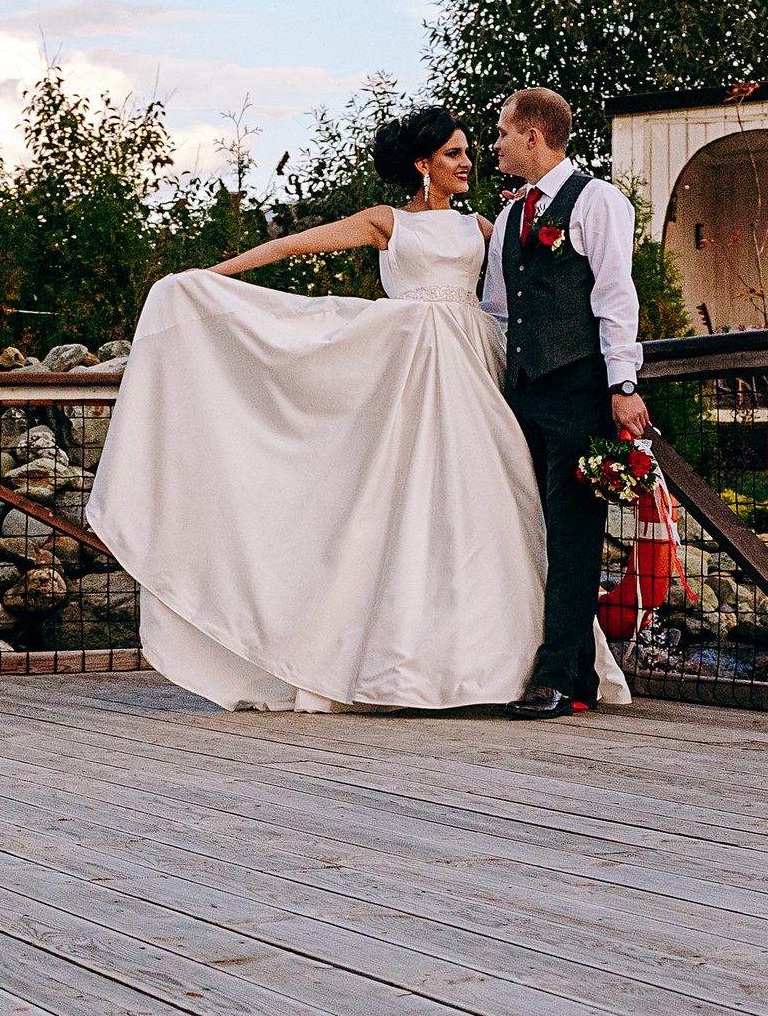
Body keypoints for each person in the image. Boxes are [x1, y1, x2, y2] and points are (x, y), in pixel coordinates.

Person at [87, 106, 628, 714]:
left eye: (470, 151)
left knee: (496, 508)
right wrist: (208, 276)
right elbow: (292, 244)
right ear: (422, 164)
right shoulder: (386, 221)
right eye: (453, 153)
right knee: (399, 508)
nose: (468, 162)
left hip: (476, 370)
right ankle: (404, 659)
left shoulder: (487, 224)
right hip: (409, 371)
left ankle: (516, 662)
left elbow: (514, 301)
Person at [486, 87, 651, 719]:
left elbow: (615, 296)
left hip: (581, 389)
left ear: (532, 135)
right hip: (522, 393)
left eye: (502, 132)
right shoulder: (509, 218)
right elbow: (497, 312)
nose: (495, 145)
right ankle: (577, 674)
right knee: (531, 529)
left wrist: (623, 385)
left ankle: (554, 678)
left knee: (574, 534)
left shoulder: (597, 200)